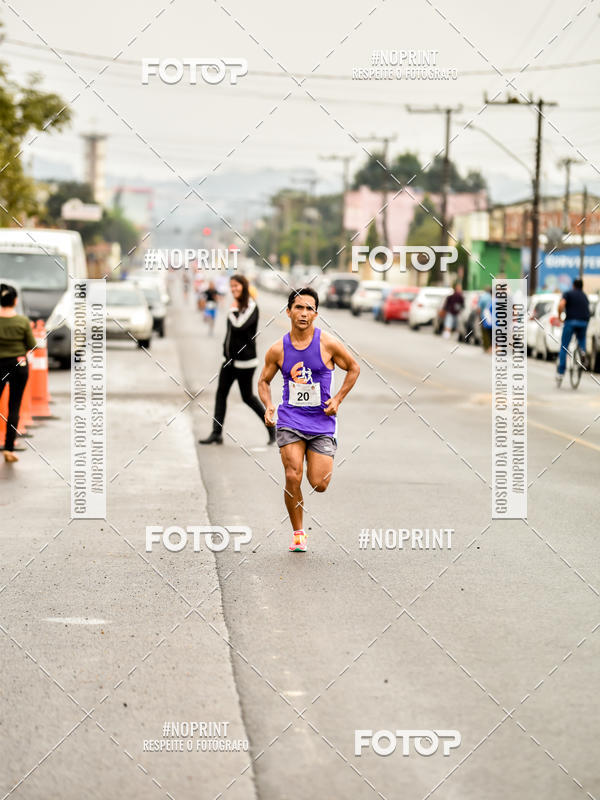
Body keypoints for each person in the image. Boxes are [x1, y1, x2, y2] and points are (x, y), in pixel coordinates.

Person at [258, 287, 360, 553]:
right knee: (293, 475)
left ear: (316, 313)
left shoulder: (327, 343)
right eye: (299, 308)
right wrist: (269, 406)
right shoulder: (278, 349)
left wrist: (337, 399)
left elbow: (354, 367)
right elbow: (263, 381)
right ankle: (298, 533)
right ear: (289, 311)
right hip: (290, 420)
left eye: (309, 309)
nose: (304, 313)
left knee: (319, 483)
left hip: (322, 423)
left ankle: (311, 477)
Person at [199, 274, 274, 445]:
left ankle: (271, 428)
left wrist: (232, 310)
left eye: (237, 286)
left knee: (247, 397)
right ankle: (216, 433)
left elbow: (239, 326)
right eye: (232, 286)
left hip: (245, 362)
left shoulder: (251, 306)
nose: (234, 289)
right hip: (229, 361)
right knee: (221, 394)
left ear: (244, 287)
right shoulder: (236, 306)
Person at [0, 283, 36, 463]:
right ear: (14, 301)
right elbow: (31, 344)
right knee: (14, 406)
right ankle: (8, 449)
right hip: (17, 365)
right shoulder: (22, 321)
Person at [556, 278, 590, 387]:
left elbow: (561, 305)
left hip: (570, 322)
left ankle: (561, 372)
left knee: (564, 347)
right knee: (582, 338)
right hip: (583, 322)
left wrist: (560, 316)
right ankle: (582, 351)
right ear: (582, 286)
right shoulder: (585, 296)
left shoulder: (568, 293)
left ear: (573, 285)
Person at [478, 286, 493, 353]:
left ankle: (486, 347)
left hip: (483, 317)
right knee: (491, 333)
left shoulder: (483, 297)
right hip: (492, 318)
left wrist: (479, 316)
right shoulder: (492, 298)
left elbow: (479, 308)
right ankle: (491, 347)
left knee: (485, 333)